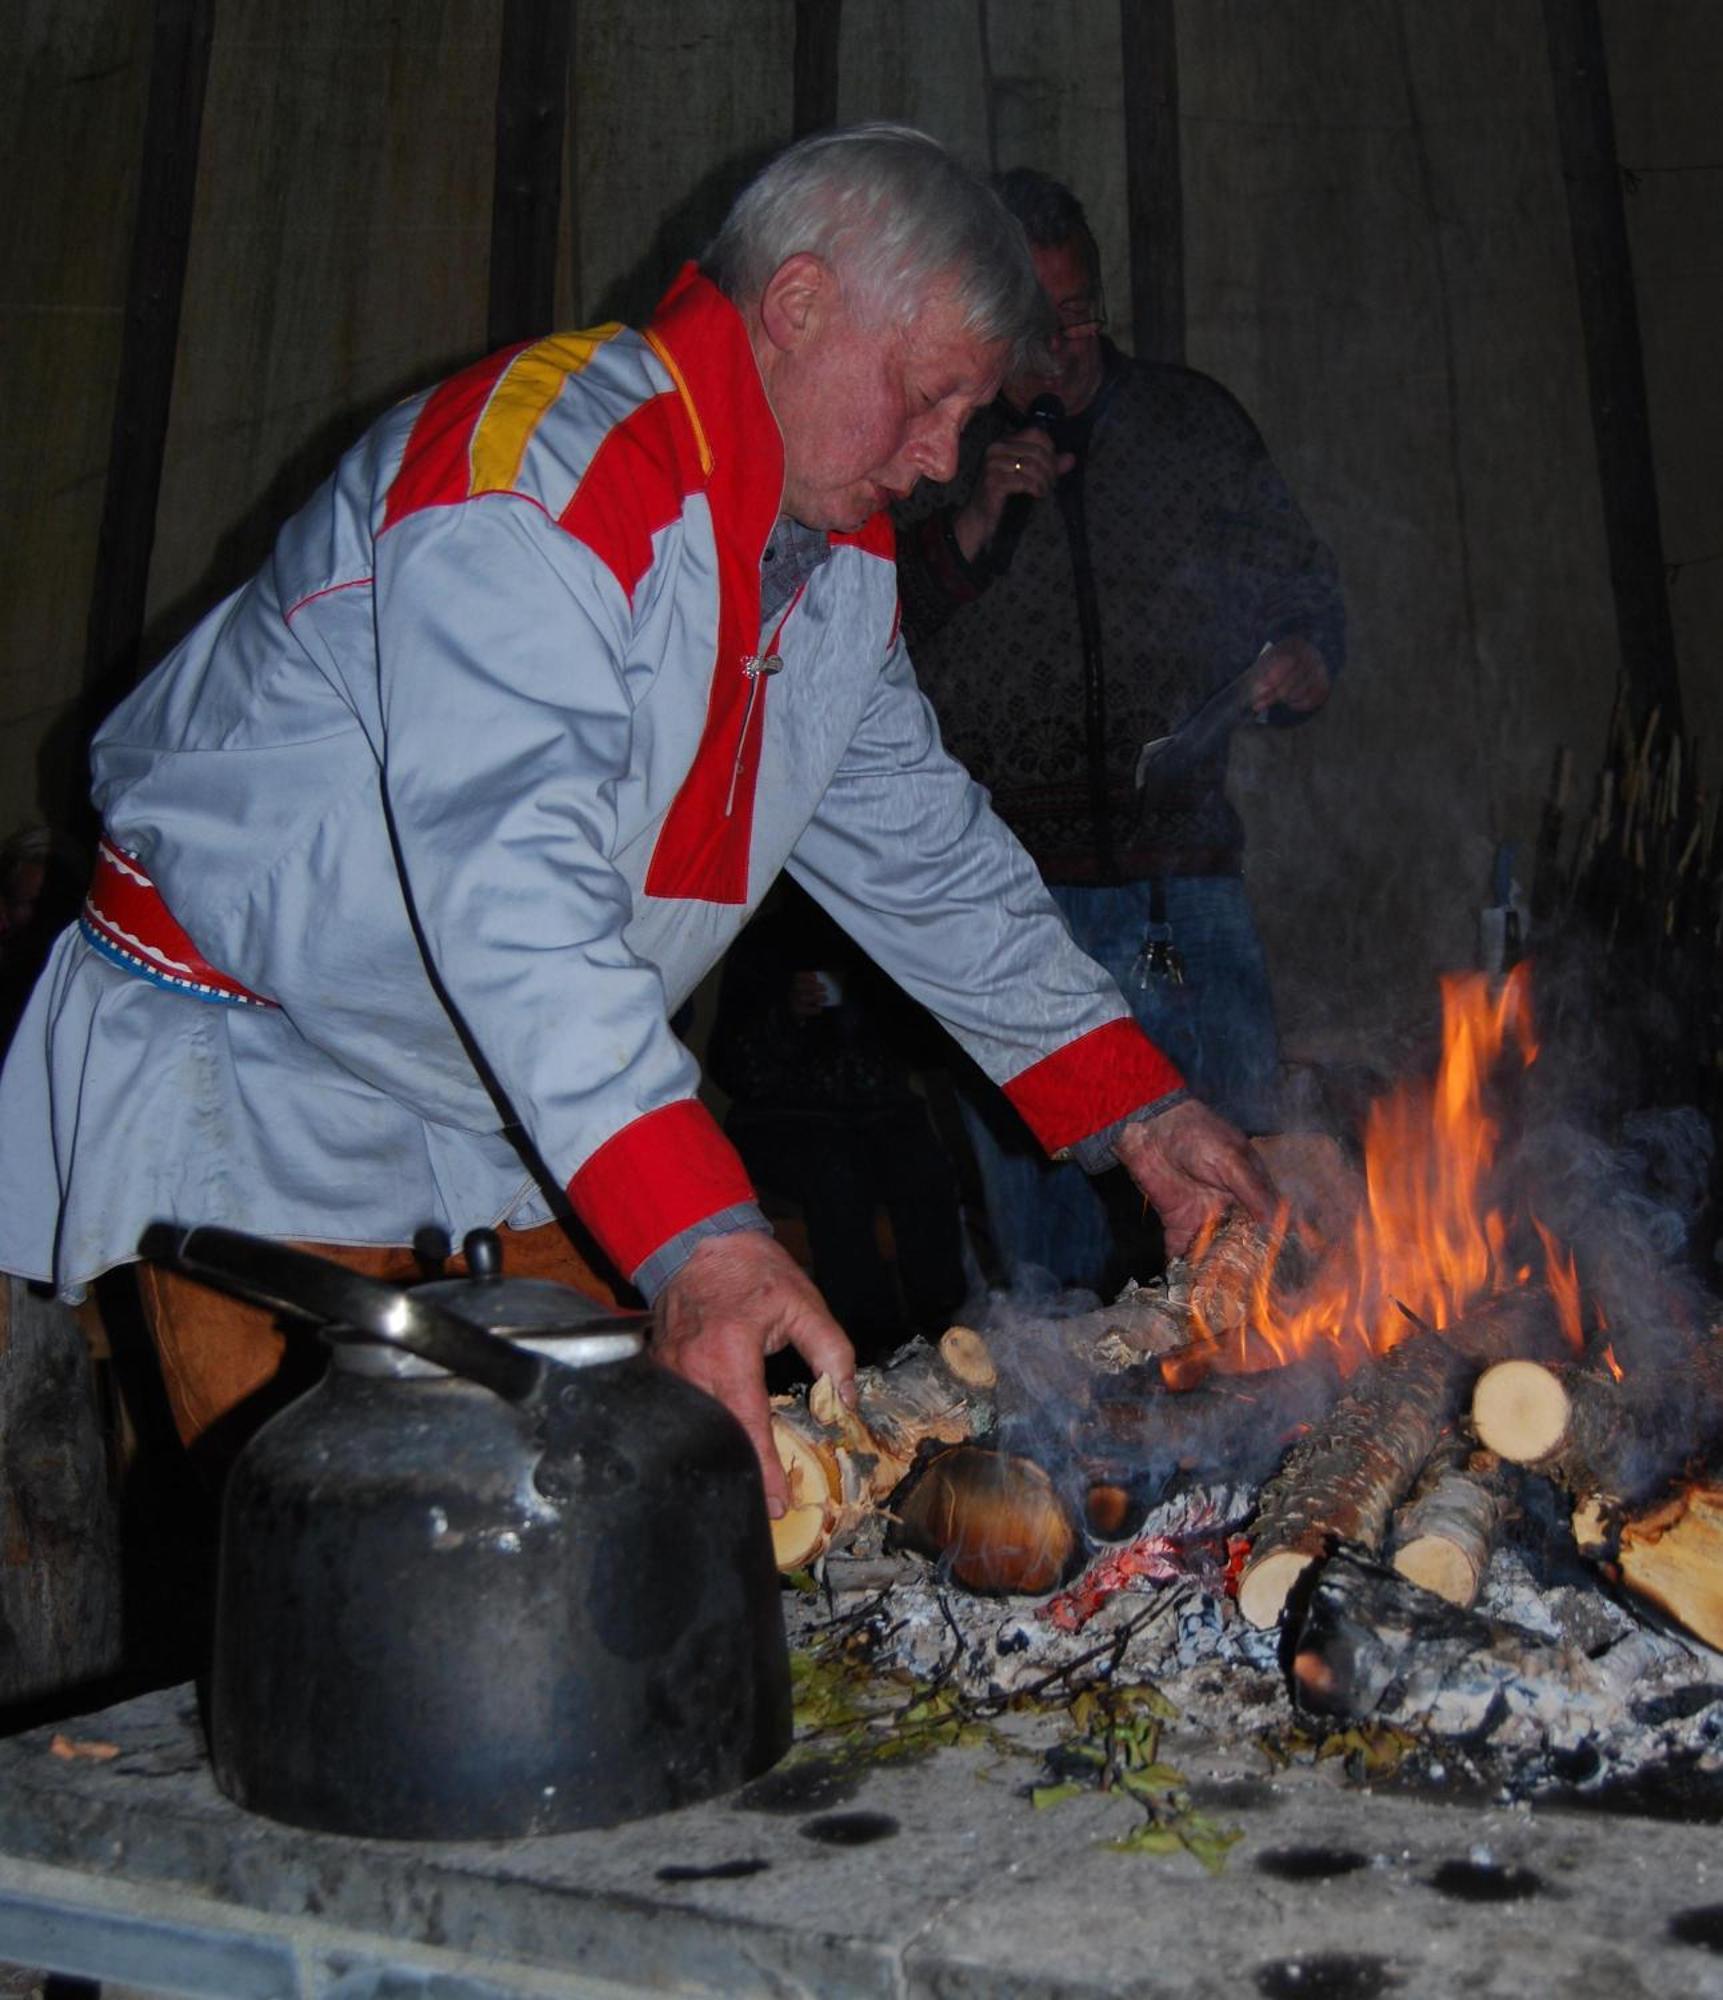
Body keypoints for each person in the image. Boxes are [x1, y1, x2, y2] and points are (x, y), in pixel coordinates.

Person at [0, 125, 1273, 1516]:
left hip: (510, 1123)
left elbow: (925, 852)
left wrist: (1135, 1107)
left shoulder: (829, 563)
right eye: (925, 397)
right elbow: (514, 893)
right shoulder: (540, 478)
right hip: (258, 1101)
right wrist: (699, 1236)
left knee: (620, 1542)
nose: (936, 458)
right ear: (794, 306)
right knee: (359, 1589)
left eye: (960, 418)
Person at [897, 167, 1343, 1296]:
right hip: (1012, 911)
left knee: (1240, 1206)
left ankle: (1266, 1447)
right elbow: (857, 643)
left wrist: (1304, 651)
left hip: (1185, 892)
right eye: (1038, 322)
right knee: (1047, 1255)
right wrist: (976, 518)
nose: (1068, 342)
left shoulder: (1190, 423)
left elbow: (1303, 583)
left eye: (1082, 307)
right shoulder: (932, 442)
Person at [707, 880, 968, 1364]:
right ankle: (867, 1344)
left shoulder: (878, 936)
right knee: (838, 1176)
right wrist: (784, 1015)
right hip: (786, 1118)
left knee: (923, 1167)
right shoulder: (762, 946)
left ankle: (945, 1330)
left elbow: (924, 1049)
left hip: (880, 1113)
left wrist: (879, 997)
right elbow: (731, 1067)